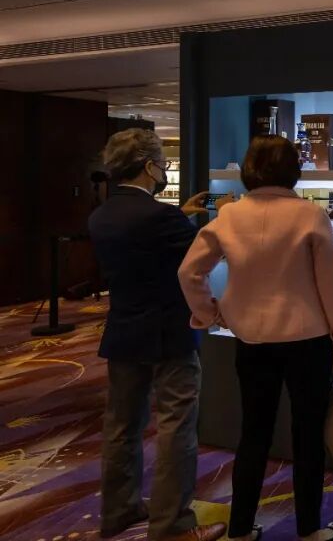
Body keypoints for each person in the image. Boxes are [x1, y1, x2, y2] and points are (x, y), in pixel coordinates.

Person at [179, 135, 333, 541]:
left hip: (252, 341)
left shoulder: (230, 216)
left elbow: (189, 272)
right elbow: (330, 284)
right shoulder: (310, 215)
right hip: (307, 340)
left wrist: (209, 313)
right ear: (293, 170)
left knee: (253, 434)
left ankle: (240, 529)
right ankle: (309, 529)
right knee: (308, 435)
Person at [89, 129, 231, 541]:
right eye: (163, 164)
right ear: (150, 167)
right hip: (169, 334)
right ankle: (172, 525)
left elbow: (147, 245)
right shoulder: (159, 218)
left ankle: (118, 510)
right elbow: (204, 253)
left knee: (121, 427)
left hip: (123, 331)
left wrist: (181, 214)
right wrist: (227, 216)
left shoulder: (102, 215)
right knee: (176, 428)